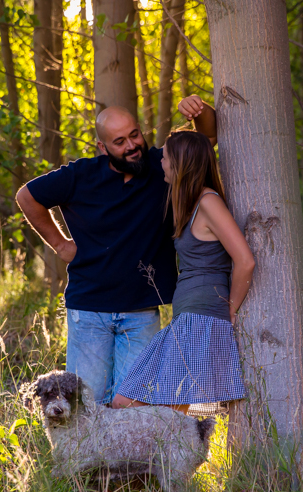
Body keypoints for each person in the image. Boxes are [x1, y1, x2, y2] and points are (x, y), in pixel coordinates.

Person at [16, 96, 218, 405]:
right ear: (102, 147)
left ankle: (129, 457)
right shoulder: (80, 176)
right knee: (86, 404)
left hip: (141, 312)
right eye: (120, 141)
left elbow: (207, 138)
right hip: (89, 308)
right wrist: (60, 244)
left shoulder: (161, 166)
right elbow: (27, 196)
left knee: (135, 405)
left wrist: (200, 112)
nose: (131, 146)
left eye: (134, 134)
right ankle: (86, 457)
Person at [112, 130, 255, 413]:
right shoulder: (189, 203)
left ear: (179, 163)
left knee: (164, 412)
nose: (160, 162)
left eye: (164, 157)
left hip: (201, 320)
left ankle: (172, 457)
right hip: (186, 319)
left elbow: (245, 260)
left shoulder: (208, 202)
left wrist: (231, 309)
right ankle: (170, 456)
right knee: (133, 403)